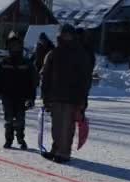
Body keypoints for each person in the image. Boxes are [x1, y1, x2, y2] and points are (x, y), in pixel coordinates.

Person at [41, 24, 92, 164]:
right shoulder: (54, 53)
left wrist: (82, 100)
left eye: (68, 34)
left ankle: (64, 152)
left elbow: (85, 78)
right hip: (55, 96)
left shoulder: (80, 54)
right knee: (56, 126)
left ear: (73, 36)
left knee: (67, 126)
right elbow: (46, 76)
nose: (66, 37)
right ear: (60, 36)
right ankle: (55, 148)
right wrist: (45, 96)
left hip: (73, 98)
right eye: (64, 34)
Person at [0, 32, 37, 150]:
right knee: (9, 119)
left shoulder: (26, 63)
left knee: (20, 119)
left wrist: (31, 98)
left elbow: (32, 82)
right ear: (8, 47)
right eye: (12, 45)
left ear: (21, 46)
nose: (15, 48)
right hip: (7, 95)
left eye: (17, 45)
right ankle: (9, 139)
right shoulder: (3, 63)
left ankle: (21, 139)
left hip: (21, 96)